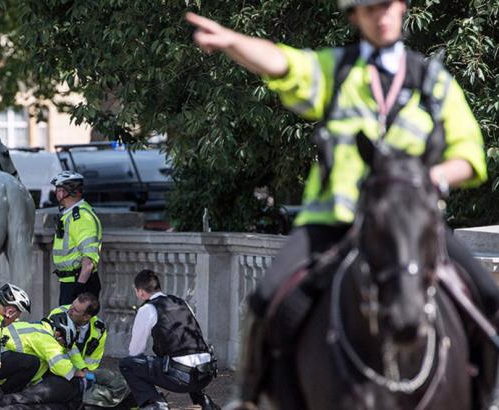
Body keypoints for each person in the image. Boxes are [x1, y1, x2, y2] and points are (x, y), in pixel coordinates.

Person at [187, 0, 499, 404]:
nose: (381, 16)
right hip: (334, 221)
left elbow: (469, 155)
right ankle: (247, 395)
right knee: (267, 297)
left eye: (387, 6)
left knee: (488, 297)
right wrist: (232, 41)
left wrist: (429, 178)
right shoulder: (336, 70)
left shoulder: (433, 81)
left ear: (401, 8)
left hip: (409, 225)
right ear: (355, 16)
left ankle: (487, 397)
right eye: (370, 9)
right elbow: (283, 63)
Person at [119, 270, 219, 410]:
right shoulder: (182, 303)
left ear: (140, 292)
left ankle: (156, 405)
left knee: (127, 364)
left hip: (182, 378)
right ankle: (204, 401)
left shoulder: (148, 309)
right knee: (183, 355)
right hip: (205, 374)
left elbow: (135, 352)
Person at [49, 293, 136, 409]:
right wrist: (79, 375)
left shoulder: (99, 329)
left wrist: (86, 373)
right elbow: (54, 353)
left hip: (84, 371)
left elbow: (93, 360)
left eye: (75, 310)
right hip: (60, 370)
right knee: (97, 393)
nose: (70, 310)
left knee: (119, 382)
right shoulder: (58, 316)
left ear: (86, 317)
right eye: (72, 306)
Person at [0, 312, 85, 410]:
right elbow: (61, 366)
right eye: (62, 343)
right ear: (58, 334)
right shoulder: (45, 336)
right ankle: (1, 400)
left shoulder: (34, 327)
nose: (61, 346)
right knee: (32, 363)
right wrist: (79, 374)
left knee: (33, 364)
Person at [50, 170, 103, 305]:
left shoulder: (81, 217)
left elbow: (89, 259)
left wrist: (79, 287)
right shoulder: (70, 214)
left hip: (78, 283)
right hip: (70, 281)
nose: (56, 194)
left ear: (65, 192)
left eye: (58, 190)